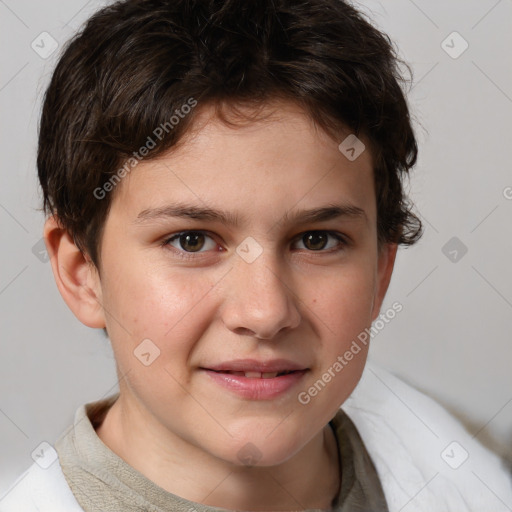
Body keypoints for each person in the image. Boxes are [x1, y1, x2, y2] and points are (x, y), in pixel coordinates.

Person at [1, 0, 511, 510]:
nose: (266, 313)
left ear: (381, 270)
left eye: (317, 240)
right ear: (82, 273)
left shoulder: (466, 472)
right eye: (192, 240)